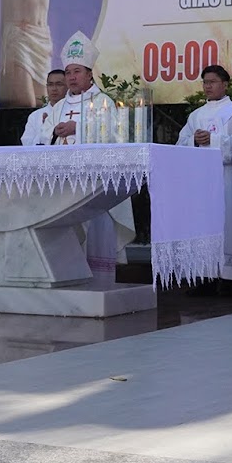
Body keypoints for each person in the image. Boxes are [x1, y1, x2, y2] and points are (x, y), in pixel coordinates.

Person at [43, 32, 136, 279]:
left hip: (95, 185)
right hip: (63, 185)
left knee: (96, 236)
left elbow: (115, 137)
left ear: (89, 74)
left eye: (77, 72)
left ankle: (100, 285)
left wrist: (78, 128)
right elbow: (42, 139)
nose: (72, 77)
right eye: (68, 73)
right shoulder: (59, 107)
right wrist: (53, 131)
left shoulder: (103, 102)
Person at [178, 65, 232, 291]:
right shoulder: (196, 115)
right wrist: (194, 141)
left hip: (227, 178)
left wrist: (213, 140)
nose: (207, 86)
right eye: (205, 82)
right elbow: (180, 143)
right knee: (202, 225)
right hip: (201, 180)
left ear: (225, 84)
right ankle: (204, 277)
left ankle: (229, 279)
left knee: (228, 223)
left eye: (212, 82)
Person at [20, 70, 68, 146]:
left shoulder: (72, 112)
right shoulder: (35, 116)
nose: (54, 89)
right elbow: (27, 144)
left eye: (59, 84)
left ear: (68, 86)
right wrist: (45, 129)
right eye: (50, 85)